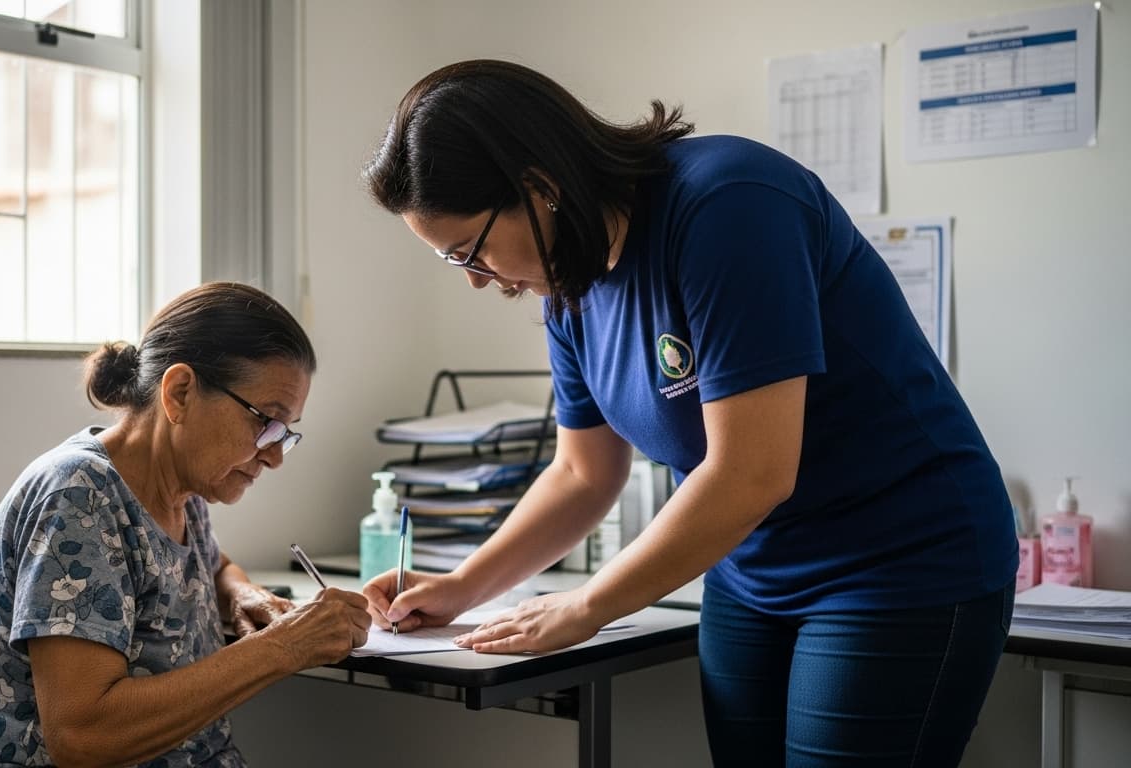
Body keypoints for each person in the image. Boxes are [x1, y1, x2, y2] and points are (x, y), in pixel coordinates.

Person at [361, 59, 1015, 767]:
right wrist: (463, 586)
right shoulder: (570, 287)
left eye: (470, 251)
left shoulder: (728, 204)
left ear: (539, 187)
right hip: (749, 573)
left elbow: (752, 473)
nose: (476, 279)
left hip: (898, 559)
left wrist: (586, 605)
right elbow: (583, 473)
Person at [0, 282, 370, 768]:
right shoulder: (79, 495)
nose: (275, 457)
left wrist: (241, 592)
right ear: (180, 392)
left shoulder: (182, 489)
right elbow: (82, 735)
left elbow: (213, 567)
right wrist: (282, 647)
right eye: (267, 424)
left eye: (286, 433)